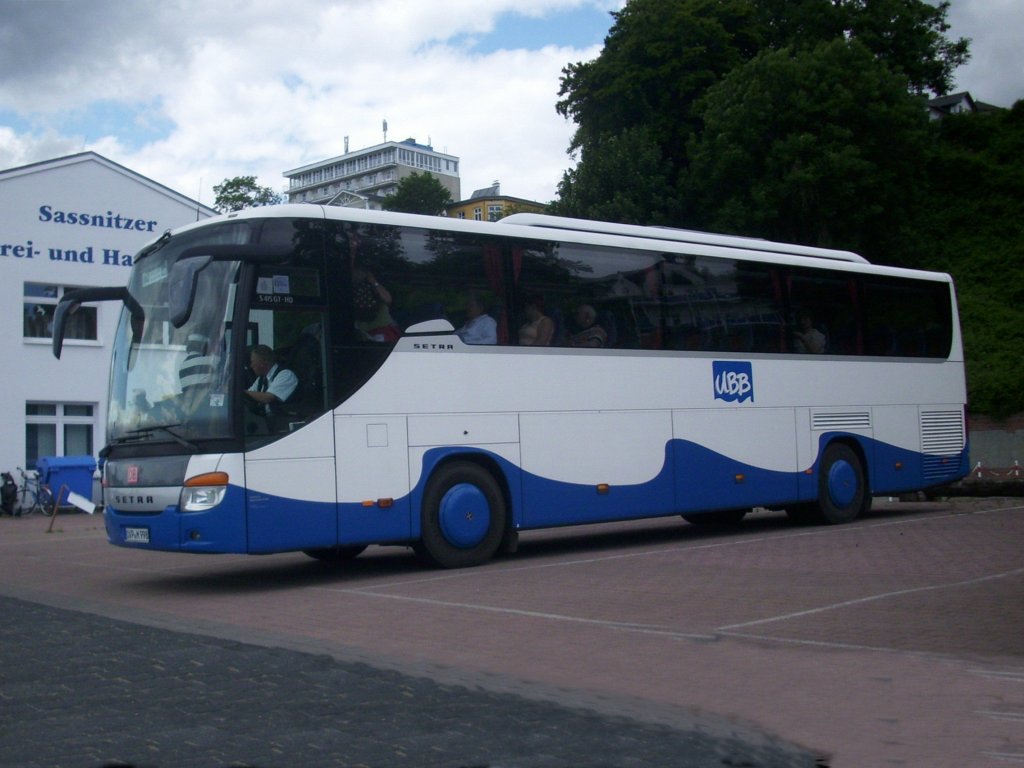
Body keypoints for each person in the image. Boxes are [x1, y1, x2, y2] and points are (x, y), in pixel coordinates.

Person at [244, 344, 298, 415]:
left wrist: (243, 392)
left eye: (252, 361)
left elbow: (268, 397)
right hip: (266, 420)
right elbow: (251, 394)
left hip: (284, 420)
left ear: (263, 362)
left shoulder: (286, 375)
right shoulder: (261, 379)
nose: (251, 365)